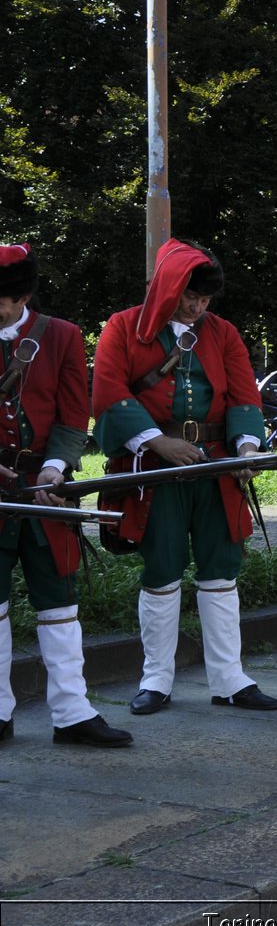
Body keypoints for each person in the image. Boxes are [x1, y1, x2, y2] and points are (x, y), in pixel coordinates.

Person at [92, 240, 277, 715]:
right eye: (189, 296)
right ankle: (156, 679)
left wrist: (246, 448)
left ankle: (230, 679)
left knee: (221, 572)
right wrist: (158, 442)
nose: (197, 307)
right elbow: (110, 393)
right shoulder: (123, 327)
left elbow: (243, 396)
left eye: (205, 300)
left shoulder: (223, 332)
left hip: (217, 468)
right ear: (168, 287)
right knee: (161, 572)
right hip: (155, 470)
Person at [0, 245, 131, 747]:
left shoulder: (63, 336)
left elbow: (76, 414)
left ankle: (72, 713)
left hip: (46, 491)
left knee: (59, 603)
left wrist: (55, 467)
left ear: (23, 296)